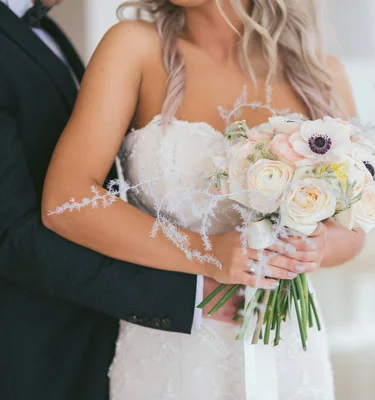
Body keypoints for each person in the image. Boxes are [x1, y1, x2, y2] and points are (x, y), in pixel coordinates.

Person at [42, 0, 366, 399]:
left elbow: (353, 232)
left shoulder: (321, 75)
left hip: (282, 349)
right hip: (168, 345)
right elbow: (65, 202)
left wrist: (317, 247)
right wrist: (208, 252)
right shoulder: (135, 47)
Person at [0, 1, 242, 399]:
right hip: (27, 350)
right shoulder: (131, 45)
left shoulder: (47, 33)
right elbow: (11, 232)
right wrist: (191, 291)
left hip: (97, 337)